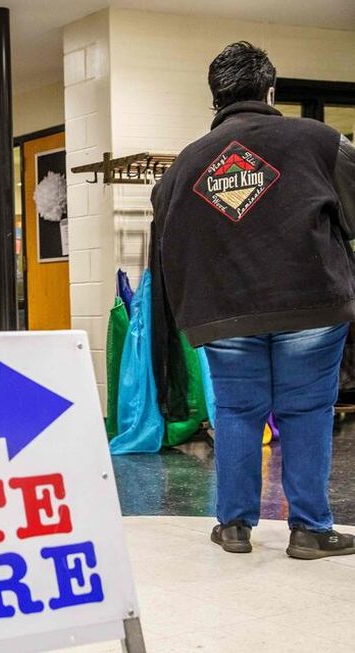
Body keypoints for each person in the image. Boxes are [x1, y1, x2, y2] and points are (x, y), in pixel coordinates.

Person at [150, 42, 355, 559]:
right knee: (307, 410)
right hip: (311, 304)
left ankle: (235, 527)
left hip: (225, 313)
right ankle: (310, 529)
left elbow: (169, 245)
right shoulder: (323, 142)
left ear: (216, 98)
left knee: (238, 412)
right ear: (270, 89)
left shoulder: (182, 169)